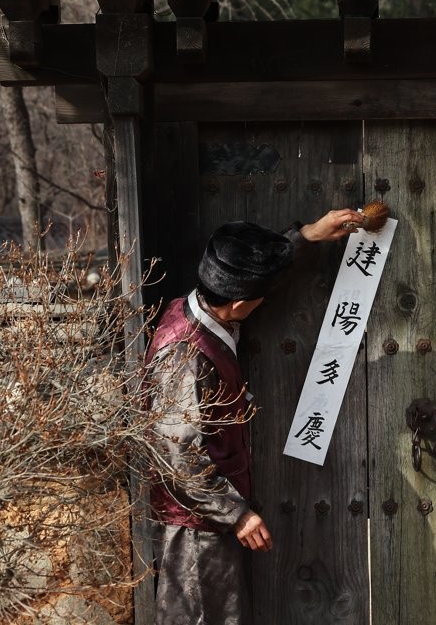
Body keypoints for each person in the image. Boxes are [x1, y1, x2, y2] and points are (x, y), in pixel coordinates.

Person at [142, 209, 363, 625]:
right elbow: (176, 455)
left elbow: (254, 280)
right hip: (193, 529)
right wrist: (236, 513)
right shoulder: (185, 357)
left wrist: (308, 236)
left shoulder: (204, 307)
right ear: (240, 303)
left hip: (204, 519)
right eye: (257, 299)